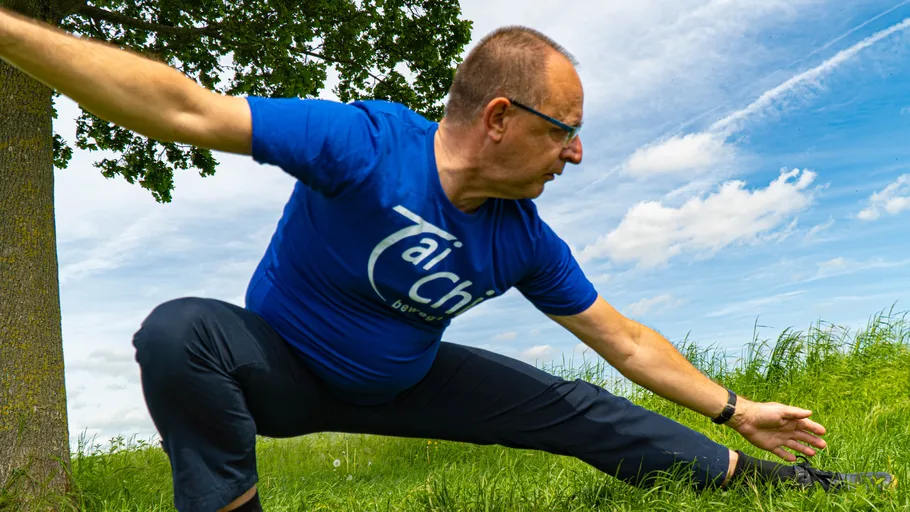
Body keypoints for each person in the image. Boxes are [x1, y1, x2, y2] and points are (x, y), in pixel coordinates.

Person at [0, 8, 895, 512]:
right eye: (565, 133)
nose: (576, 155)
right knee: (177, 332)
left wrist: (739, 409)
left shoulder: (522, 237)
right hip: (284, 371)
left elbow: (622, 342)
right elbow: (188, 111)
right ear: (501, 118)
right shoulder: (362, 143)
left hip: (407, 380)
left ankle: (783, 485)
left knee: (582, 409)